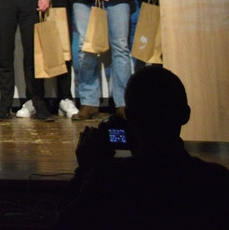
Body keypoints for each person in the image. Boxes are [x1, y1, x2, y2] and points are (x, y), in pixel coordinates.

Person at [57, 66, 229, 226]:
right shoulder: (216, 181)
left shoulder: (108, 182)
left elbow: (64, 222)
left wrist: (85, 170)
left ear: (129, 117)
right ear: (186, 114)